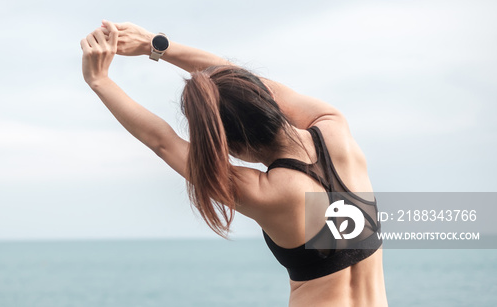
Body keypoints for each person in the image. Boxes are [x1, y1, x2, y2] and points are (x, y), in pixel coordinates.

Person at [80, 20, 387, 306]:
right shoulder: (334, 127)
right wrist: (154, 44)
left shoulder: (268, 193)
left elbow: (163, 143)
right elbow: (248, 85)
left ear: (234, 147)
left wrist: (99, 80)